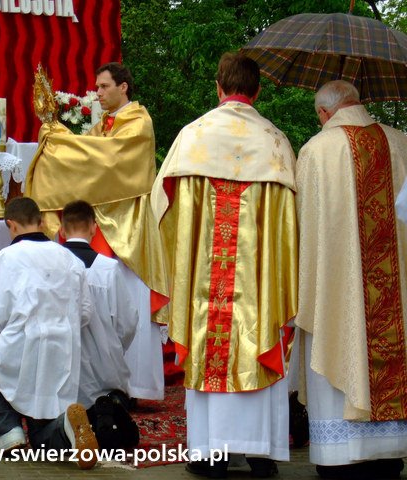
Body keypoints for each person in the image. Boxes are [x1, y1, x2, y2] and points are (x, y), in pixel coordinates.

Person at [150, 52, 298, 478]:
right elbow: (290, 229)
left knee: (207, 341)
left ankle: (210, 453)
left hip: (202, 282)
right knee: (257, 336)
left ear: (218, 87)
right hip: (257, 286)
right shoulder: (275, 143)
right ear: (257, 90)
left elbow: (162, 211)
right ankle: (260, 453)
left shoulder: (192, 137)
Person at [26, 62, 169, 402]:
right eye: (97, 87)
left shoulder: (138, 123)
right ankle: (104, 382)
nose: (98, 93)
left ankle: (138, 386)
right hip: (106, 222)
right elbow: (84, 161)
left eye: (104, 87)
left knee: (127, 305)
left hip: (128, 228)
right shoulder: (104, 124)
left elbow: (103, 163)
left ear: (124, 87)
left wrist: (59, 139)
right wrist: (59, 138)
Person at [294, 80, 407, 480]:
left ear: (325, 113)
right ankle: (388, 454)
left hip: (336, 294)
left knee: (339, 343)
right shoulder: (400, 144)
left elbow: (303, 232)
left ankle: (340, 458)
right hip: (395, 299)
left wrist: (302, 289)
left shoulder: (316, 151)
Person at [0, 197, 99, 469]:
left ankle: (9, 432)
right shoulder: (68, 257)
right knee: (42, 441)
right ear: (41, 222)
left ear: (10, 225)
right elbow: (85, 312)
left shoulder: (9, 256)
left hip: (22, 346)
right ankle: (65, 428)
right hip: (63, 349)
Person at [60, 200, 140, 449]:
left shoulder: (54, 266)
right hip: (104, 365)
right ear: (95, 228)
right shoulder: (108, 268)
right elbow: (127, 322)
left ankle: (72, 427)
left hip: (62, 364)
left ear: (62, 230)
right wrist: (112, 346)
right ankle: (105, 413)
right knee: (110, 391)